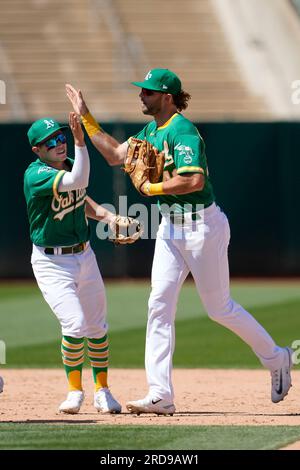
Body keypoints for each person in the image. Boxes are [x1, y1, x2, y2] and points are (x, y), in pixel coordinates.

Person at [66, 68, 293, 415]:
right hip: (170, 229)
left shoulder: (182, 131)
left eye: (149, 92)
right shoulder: (150, 131)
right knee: (158, 305)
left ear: (167, 97)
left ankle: (277, 358)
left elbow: (194, 180)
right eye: (142, 91)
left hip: (203, 227)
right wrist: (86, 118)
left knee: (219, 309)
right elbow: (114, 154)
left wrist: (152, 188)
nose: (142, 95)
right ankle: (160, 393)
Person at [24, 113, 122, 414]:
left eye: (62, 137)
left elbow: (80, 195)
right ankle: (74, 391)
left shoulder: (65, 165)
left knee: (97, 326)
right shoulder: (36, 174)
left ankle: (103, 390)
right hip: (51, 262)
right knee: (75, 324)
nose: (59, 144)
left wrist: (110, 216)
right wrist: (81, 141)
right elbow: (79, 179)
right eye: (50, 142)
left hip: (84, 254)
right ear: (37, 150)